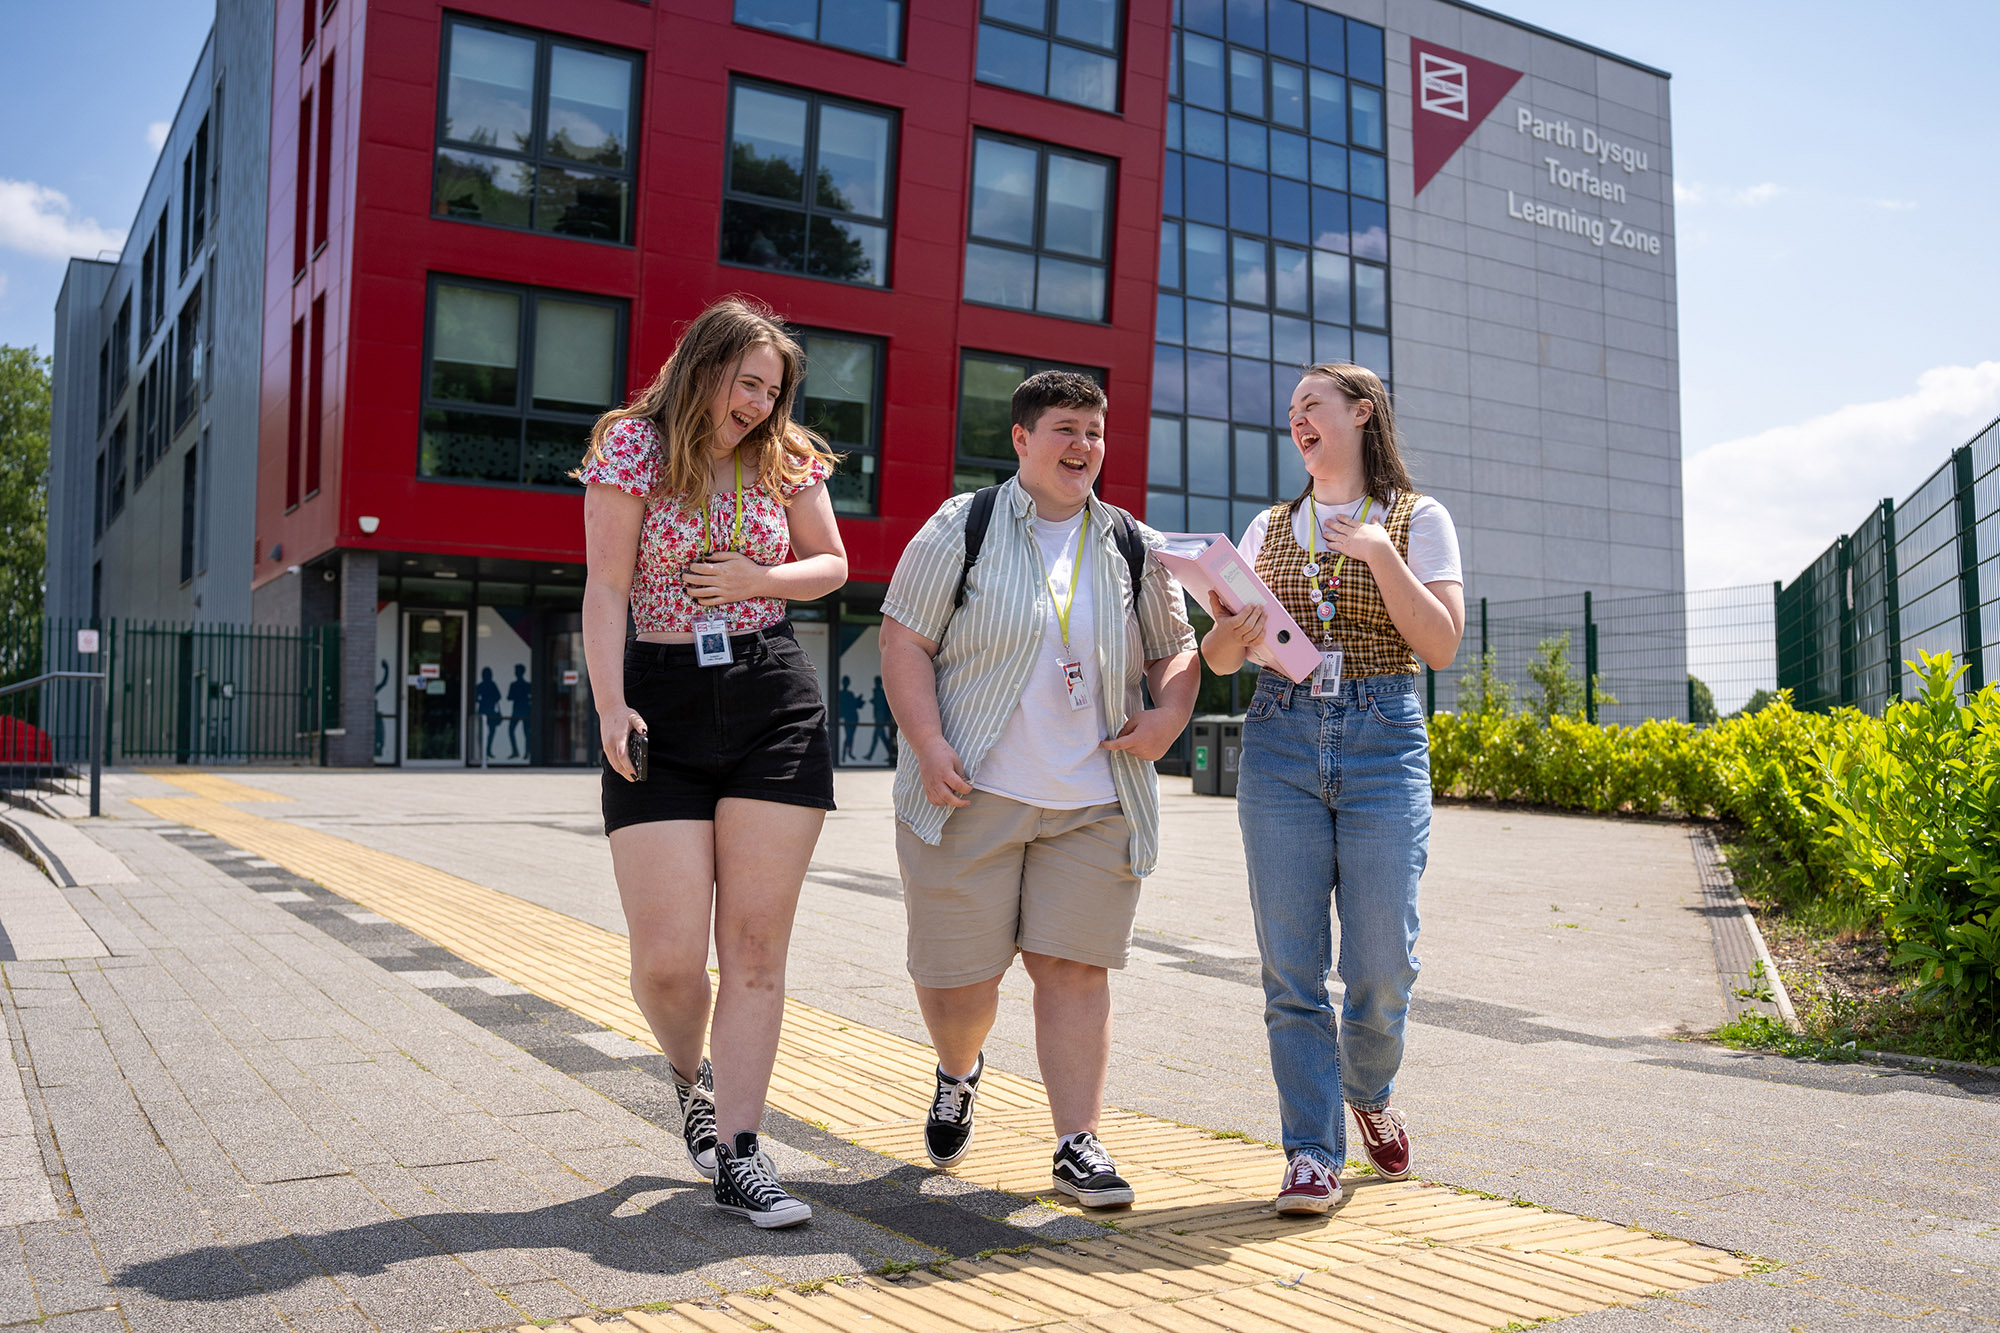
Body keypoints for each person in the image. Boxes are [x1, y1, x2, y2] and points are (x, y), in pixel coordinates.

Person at [880, 370, 1199, 1209]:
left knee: (1074, 968)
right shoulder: (965, 524)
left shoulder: (1132, 539)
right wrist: (928, 740)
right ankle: (959, 1069)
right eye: (1065, 429)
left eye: (1094, 432)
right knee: (959, 989)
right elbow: (904, 639)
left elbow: (1176, 646)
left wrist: (1167, 716)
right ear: (1021, 439)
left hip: (1095, 800)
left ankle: (1076, 1142)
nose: (1083, 447)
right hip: (968, 791)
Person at [575, 296, 846, 1228]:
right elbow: (605, 586)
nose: (760, 405)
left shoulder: (790, 457)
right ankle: (691, 1080)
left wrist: (760, 581)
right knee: (666, 960)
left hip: (772, 695)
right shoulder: (631, 448)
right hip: (661, 695)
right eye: (748, 384)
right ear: (704, 366)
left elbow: (833, 565)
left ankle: (741, 1151)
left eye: (774, 391)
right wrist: (611, 703)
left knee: (756, 949)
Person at [1200, 362, 1464, 1216]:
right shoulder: (1271, 524)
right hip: (1279, 735)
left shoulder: (1418, 520)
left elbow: (1443, 644)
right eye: (1291, 412)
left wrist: (1382, 554)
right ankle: (1310, 1151)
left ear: (1362, 412)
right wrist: (1231, 637)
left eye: (1312, 404)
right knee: (1292, 966)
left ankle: (1369, 1088)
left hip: (1384, 735)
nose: (1297, 419)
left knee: (1383, 962)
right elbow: (1217, 659)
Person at [475, 667, 503, 759]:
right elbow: (475, 697)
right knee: (482, 733)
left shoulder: (491, 685)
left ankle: (487, 751)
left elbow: (498, 696)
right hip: (484, 711)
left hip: (490, 711)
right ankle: (482, 752)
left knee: (491, 732)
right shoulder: (481, 686)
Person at [506, 663, 533, 759]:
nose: (516, 673)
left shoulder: (526, 685)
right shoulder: (515, 685)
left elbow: (532, 697)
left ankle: (527, 752)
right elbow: (509, 697)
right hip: (517, 710)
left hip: (523, 710)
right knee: (511, 730)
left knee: (526, 732)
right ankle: (516, 751)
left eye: (517, 671)